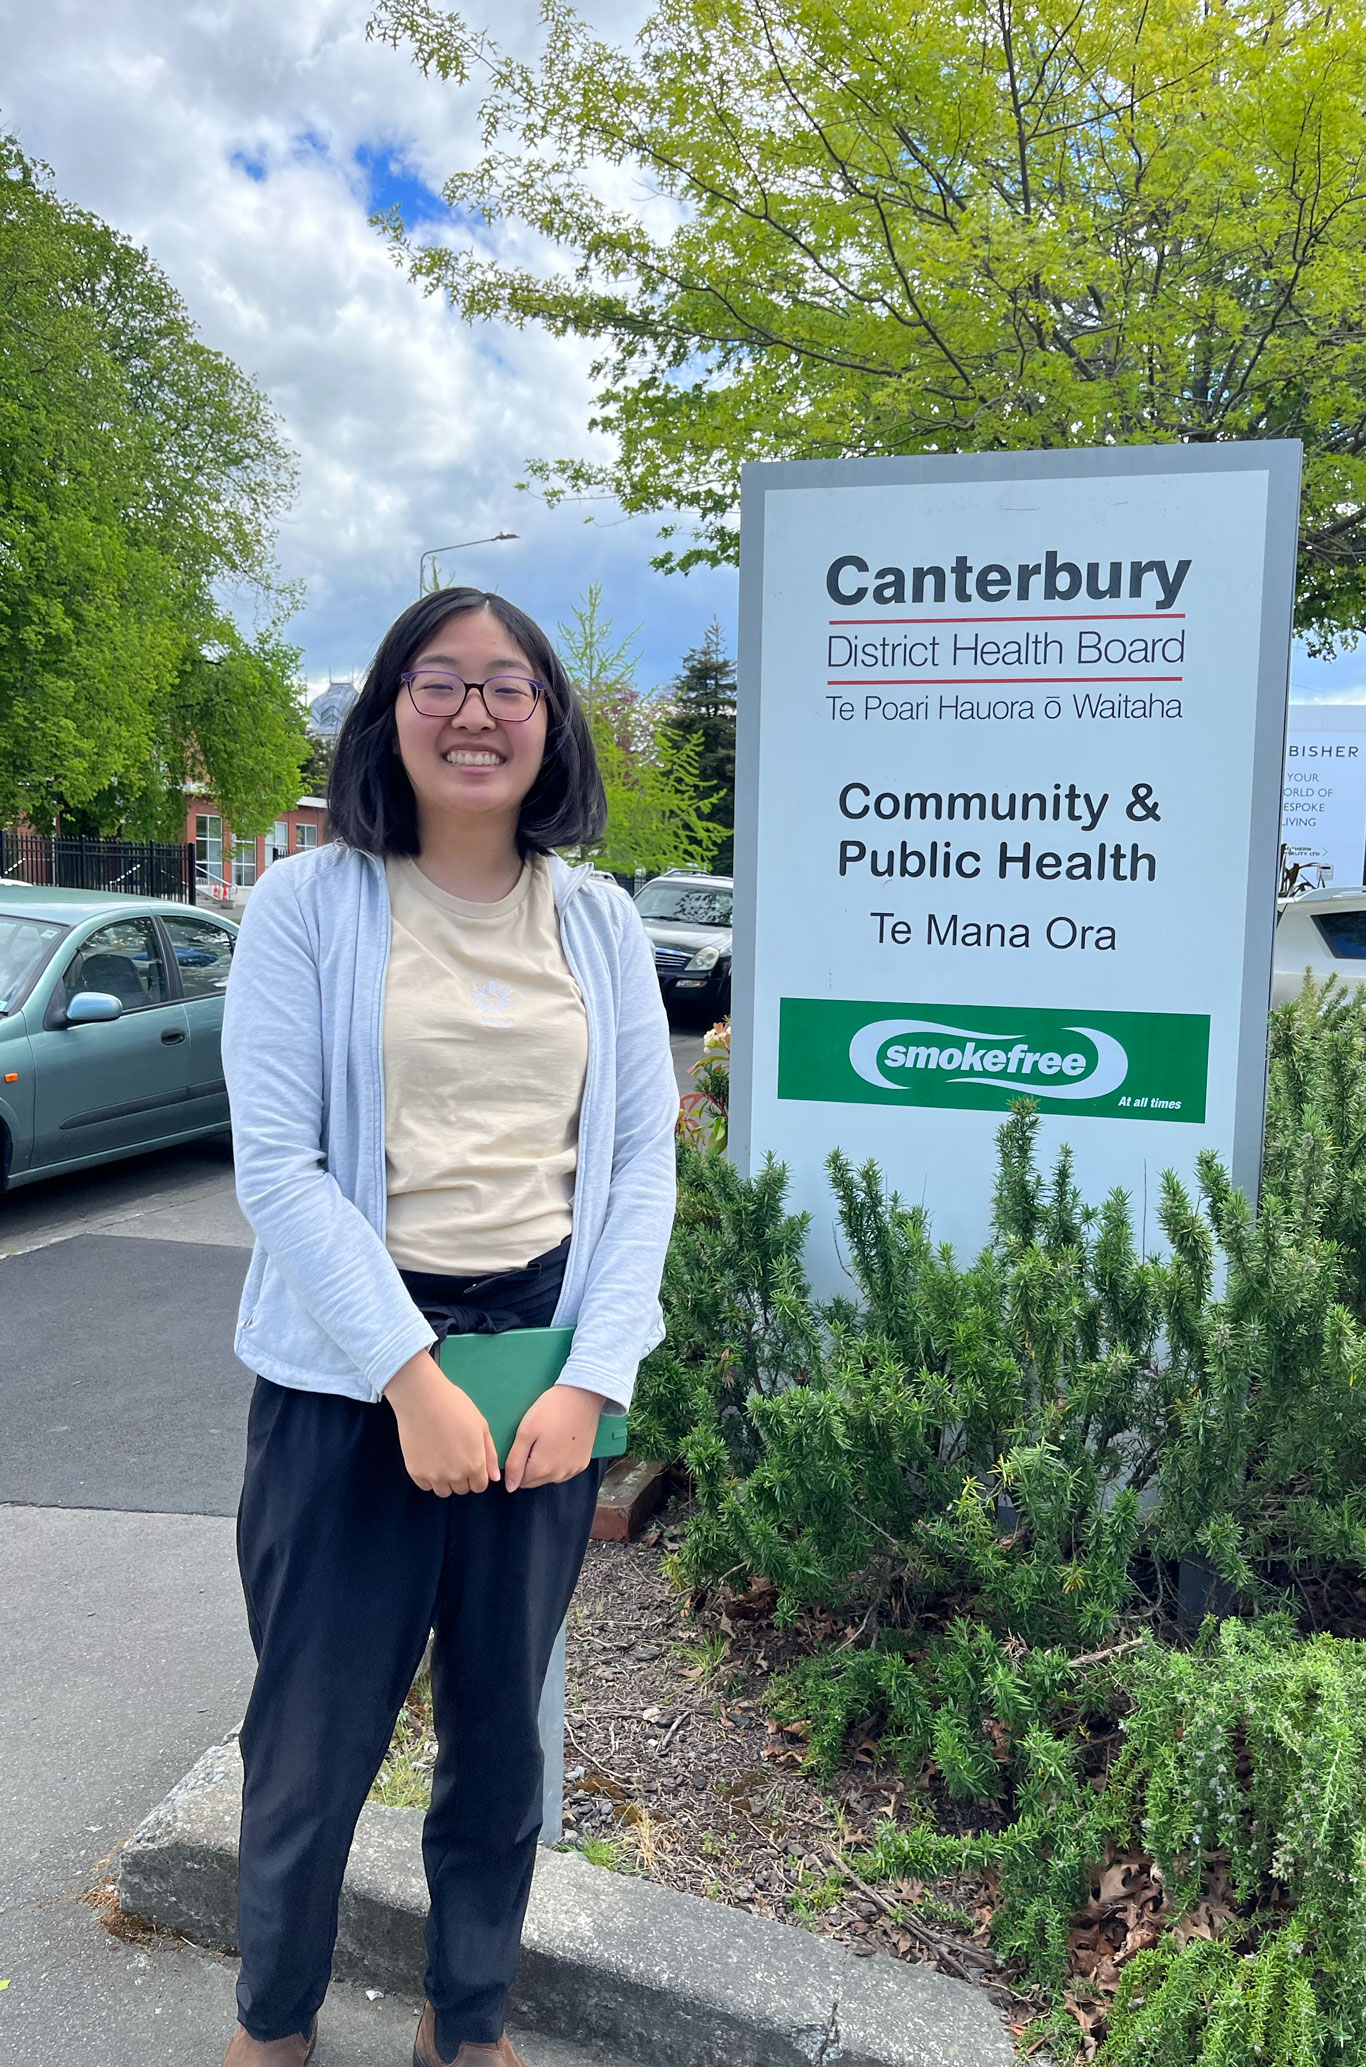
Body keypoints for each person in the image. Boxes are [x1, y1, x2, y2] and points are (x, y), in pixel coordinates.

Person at [217, 587, 678, 2067]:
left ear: (551, 722)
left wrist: (595, 1376)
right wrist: (407, 1380)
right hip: (350, 1379)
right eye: (438, 682)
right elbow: (279, 1165)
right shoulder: (309, 902)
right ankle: (272, 2025)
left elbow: (635, 1168)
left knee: (500, 1739)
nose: (475, 713)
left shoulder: (601, 922)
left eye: (509, 687)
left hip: (539, 1370)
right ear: (385, 715)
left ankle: (465, 2021)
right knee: (311, 1739)